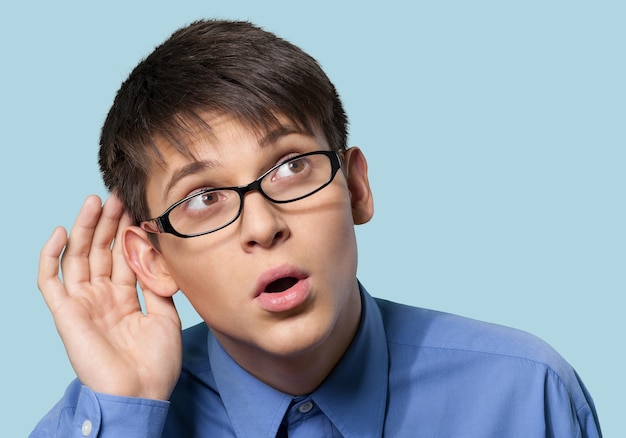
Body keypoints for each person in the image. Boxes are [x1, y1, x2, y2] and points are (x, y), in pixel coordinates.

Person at [31, 19, 602, 437]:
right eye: (203, 197)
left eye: (290, 168)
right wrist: (128, 411)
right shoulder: (98, 420)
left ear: (355, 187)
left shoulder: (529, 394)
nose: (261, 225)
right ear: (152, 260)